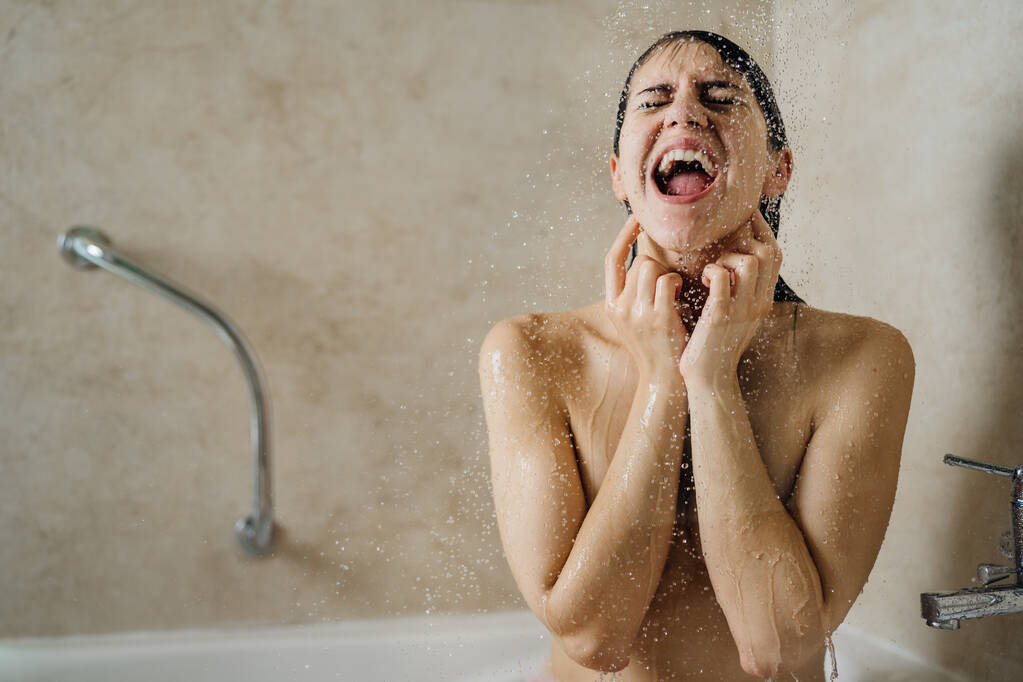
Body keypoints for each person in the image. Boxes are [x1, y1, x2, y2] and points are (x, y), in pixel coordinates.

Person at [479, 31, 914, 681]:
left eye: (720, 97)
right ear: (619, 175)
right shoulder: (533, 352)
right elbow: (596, 638)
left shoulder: (858, 358)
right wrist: (662, 378)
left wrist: (709, 381)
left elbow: (776, 648)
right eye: (653, 101)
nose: (683, 113)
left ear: (777, 168)